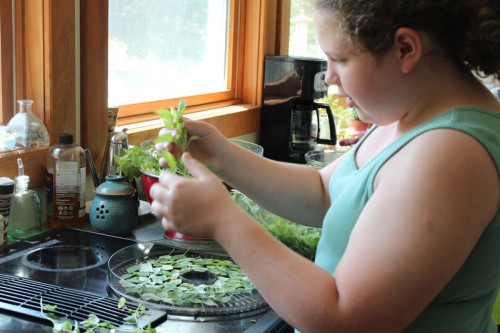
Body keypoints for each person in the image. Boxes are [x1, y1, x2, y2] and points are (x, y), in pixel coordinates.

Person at [149, 1, 500, 332]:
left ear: (405, 49)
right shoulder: (409, 116)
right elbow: (324, 193)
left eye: (339, 58)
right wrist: (223, 157)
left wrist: (222, 220)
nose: (329, 76)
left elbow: (345, 319)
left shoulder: (449, 153)